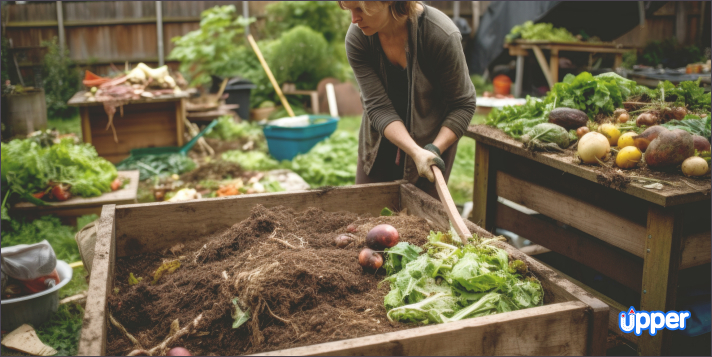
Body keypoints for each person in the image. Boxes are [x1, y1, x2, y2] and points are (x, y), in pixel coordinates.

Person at [339, 1, 476, 198]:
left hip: (431, 142)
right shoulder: (358, 38)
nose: (354, 19)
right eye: (349, 10)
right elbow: (378, 107)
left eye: (360, 9)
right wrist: (413, 150)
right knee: (367, 218)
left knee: (421, 223)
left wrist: (431, 150)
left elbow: (463, 104)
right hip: (381, 137)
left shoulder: (440, 35)